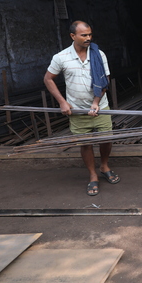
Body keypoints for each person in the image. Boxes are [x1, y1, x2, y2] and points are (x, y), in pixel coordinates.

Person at [44, 20, 120, 196]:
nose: (88, 38)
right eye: (84, 35)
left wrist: (95, 103)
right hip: (77, 109)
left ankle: (104, 166)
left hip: (100, 106)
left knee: (106, 139)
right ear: (73, 36)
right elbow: (48, 79)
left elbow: (104, 80)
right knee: (85, 144)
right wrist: (62, 102)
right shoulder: (61, 57)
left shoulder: (98, 54)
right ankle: (93, 175)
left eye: (90, 35)